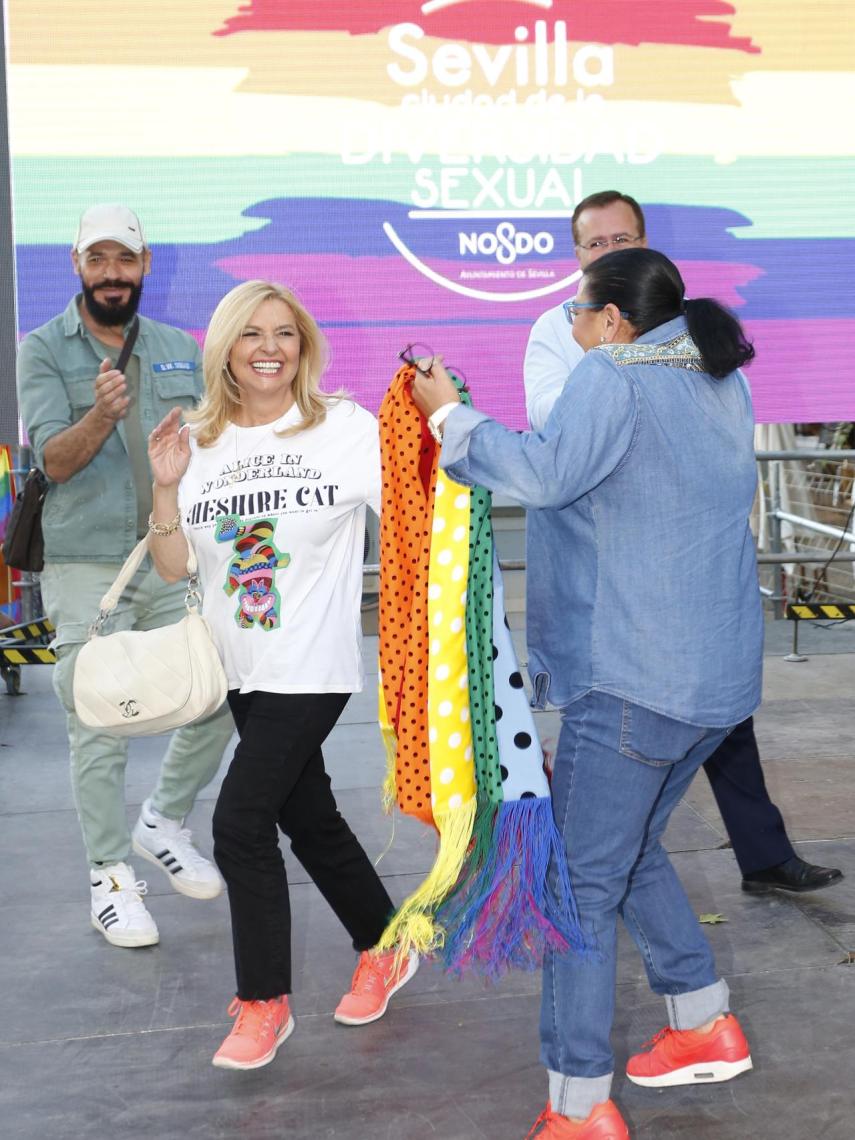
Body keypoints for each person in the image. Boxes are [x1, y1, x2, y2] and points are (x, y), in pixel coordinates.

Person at [412, 249, 763, 1139]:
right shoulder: (717, 379)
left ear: (612, 320)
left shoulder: (611, 374)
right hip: (709, 684)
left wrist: (448, 413)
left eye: (575, 312)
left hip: (635, 679)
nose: (568, 328)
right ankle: (702, 1019)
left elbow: (542, 474)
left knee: (574, 882)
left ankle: (578, 1103)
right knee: (627, 847)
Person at [525, 189, 842, 897]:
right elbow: (548, 423)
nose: (609, 252)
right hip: (619, 600)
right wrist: (611, 372)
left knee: (717, 727)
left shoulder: (687, 339)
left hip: (681, 585)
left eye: (622, 239)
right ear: (575, 255)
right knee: (620, 815)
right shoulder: (562, 330)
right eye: (595, 244)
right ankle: (690, 974)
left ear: (646, 244)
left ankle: (760, 856)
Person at [146, 280, 418, 1070]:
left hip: (312, 666)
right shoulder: (199, 441)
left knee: (238, 823)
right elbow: (172, 567)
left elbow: (413, 509)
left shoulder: (341, 428)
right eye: (251, 333)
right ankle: (386, 945)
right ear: (225, 348)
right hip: (240, 669)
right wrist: (165, 483)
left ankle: (264, 1003)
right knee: (310, 820)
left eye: (285, 334)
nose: (269, 347)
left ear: (303, 347)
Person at [17, 205, 235, 949]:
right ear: (78, 265)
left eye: (126, 260)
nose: (113, 274)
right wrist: (101, 418)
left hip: (172, 551)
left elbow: (217, 446)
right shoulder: (43, 349)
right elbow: (52, 461)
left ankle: (164, 817)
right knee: (97, 721)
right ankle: (110, 879)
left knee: (223, 686)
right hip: (85, 559)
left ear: (144, 265)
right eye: (99, 260)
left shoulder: (180, 347)